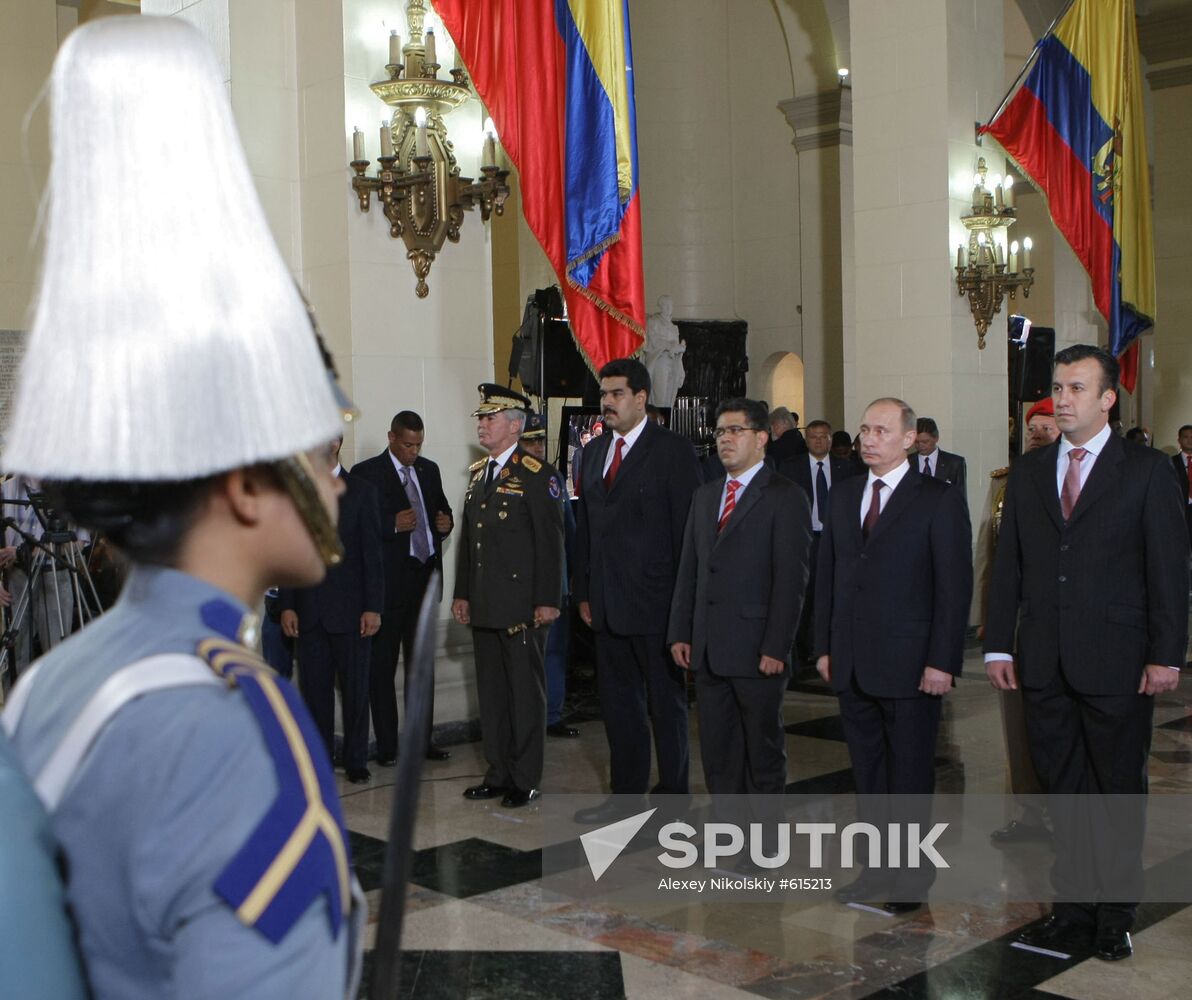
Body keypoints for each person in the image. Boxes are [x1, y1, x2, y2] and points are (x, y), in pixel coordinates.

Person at [0, 17, 363, 997]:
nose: (338, 479)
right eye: (323, 445)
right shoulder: (234, 722)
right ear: (245, 483)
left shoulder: (49, 683)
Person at [985, 345, 1189, 962]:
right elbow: (1009, 567)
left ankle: (1115, 914)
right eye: (1057, 387)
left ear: (1107, 398)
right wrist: (998, 643)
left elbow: (1167, 570)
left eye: (1076, 388)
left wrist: (1166, 654)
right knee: (1063, 792)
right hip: (1044, 661)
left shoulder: (1147, 471)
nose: (1062, 399)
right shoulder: (1028, 471)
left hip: (1119, 661)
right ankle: (1071, 910)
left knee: (1116, 790)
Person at [815, 397, 972, 911]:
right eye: (863, 429)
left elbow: (953, 586)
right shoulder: (843, 495)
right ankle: (875, 870)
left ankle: (910, 879)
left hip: (912, 664)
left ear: (909, 438)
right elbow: (828, 576)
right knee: (869, 776)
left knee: (907, 778)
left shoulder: (937, 497)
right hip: (854, 660)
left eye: (881, 430)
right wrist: (824, 645)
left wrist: (943, 660)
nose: (868, 438)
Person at [572, 358, 702, 824]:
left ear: (641, 398)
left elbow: (689, 534)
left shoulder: (672, 451)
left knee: (664, 708)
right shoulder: (591, 453)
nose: (607, 402)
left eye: (616, 394)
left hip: (658, 604)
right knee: (619, 706)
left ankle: (671, 804)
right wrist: (584, 589)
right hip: (606, 604)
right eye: (604, 394)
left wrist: (683, 608)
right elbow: (586, 527)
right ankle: (625, 798)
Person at [669, 398, 812, 797]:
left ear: (761, 438)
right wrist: (681, 630)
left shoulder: (785, 496)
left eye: (735, 431)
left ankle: (763, 848)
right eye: (719, 432)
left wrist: (777, 646)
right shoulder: (706, 495)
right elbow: (690, 569)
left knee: (761, 754)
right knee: (718, 753)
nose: (725, 440)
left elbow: (791, 579)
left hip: (757, 650)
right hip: (710, 648)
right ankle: (728, 840)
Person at [452, 385, 564, 807]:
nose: (482, 424)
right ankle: (497, 772)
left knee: (523, 694)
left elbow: (550, 544)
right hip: (485, 602)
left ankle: (525, 777)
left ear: (515, 425)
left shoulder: (538, 474)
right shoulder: (480, 473)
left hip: (522, 606)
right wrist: (462, 592)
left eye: (490, 418)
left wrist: (547, 599)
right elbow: (470, 541)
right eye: (481, 418)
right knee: (493, 696)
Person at [973, 397, 1057, 846]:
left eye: (1046, 429)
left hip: (1060, 624)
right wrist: (988, 619)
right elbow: (990, 556)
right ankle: (1028, 813)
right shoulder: (1006, 484)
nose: (1037, 436)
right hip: (1017, 623)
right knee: (1018, 724)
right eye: (1032, 431)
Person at [279, 436, 384, 783]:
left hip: (352, 613)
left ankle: (356, 760)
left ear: (337, 443)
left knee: (355, 691)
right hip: (309, 612)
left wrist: (373, 607)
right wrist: (287, 606)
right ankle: (319, 760)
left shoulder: (362, 491)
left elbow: (373, 556)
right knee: (314, 693)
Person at [352, 410, 454, 764]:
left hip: (424, 581)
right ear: (391, 438)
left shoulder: (429, 470)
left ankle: (421, 741)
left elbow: (442, 510)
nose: (414, 451)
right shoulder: (367, 475)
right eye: (408, 444)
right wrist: (390, 524)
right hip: (388, 587)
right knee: (382, 668)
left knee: (420, 667)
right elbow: (356, 529)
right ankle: (388, 747)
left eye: (419, 445)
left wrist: (446, 522)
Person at [778, 418, 860, 666]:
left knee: (833, 593)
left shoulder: (846, 468)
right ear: (806, 440)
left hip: (834, 540)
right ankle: (803, 650)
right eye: (813, 436)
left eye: (823, 436)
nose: (818, 441)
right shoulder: (791, 468)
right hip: (805, 540)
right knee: (805, 595)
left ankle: (830, 647)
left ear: (830, 439)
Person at [521, 413, 579, 738]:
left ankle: (551, 715)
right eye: (530, 440)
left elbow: (569, 533)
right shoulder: (507, 482)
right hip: (524, 588)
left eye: (541, 440)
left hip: (555, 586)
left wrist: (571, 577)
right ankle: (529, 717)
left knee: (555, 653)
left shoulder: (555, 480)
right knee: (526, 657)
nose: (538, 447)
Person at [914, 417, 968, 498]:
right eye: (916, 442)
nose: (920, 445)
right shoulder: (906, 462)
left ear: (936, 438)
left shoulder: (955, 463)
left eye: (925, 442)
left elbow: (960, 498)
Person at [1174, 424, 1192, 548]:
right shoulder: (1170, 462)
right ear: (1179, 440)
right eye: (1186, 437)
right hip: (1180, 512)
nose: (1190, 440)